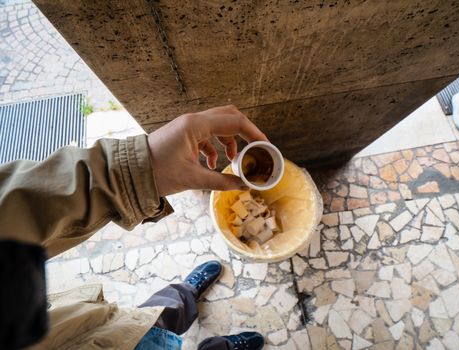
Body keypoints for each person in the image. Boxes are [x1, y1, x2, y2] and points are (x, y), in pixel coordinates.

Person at [0, 105, 268, 349]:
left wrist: (135, 170)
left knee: (152, 319)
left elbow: (14, 213)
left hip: (94, 336)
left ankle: (184, 296)